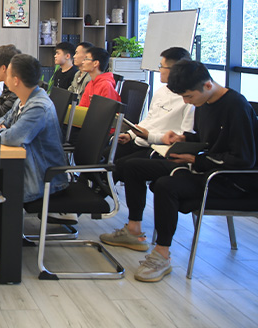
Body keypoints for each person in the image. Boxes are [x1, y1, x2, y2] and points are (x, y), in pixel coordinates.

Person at [101, 60, 258, 282]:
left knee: (166, 185)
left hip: (229, 180)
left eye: (189, 97)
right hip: (204, 166)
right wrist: (184, 139)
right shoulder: (204, 102)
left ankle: (162, 255)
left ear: (207, 85)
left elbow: (243, 160)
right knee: (132, 166)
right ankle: (134, 230)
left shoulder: (236, 107)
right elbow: (206, 140)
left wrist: (195, 159)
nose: (186, 102)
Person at [0, 53, 69, 275]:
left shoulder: (38, 106)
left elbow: (14, 137)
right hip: (30, 167)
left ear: (15, 80)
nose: (4, 78)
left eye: (8, 74)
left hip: (43, 177)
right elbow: (2, 122)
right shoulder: (24, 99)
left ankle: (0, 253)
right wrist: (0, 128)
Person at [113, 47, 195, 174]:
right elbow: (150, 119)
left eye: (161, 67)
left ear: (175, 70)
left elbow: (183, 137)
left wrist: (150, 136)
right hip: (141, 141)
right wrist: (130, 134)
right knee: (104, 155)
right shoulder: (161, 91)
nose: (159, 70)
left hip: (157, 148)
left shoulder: (189, 100)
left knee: (121, 166)